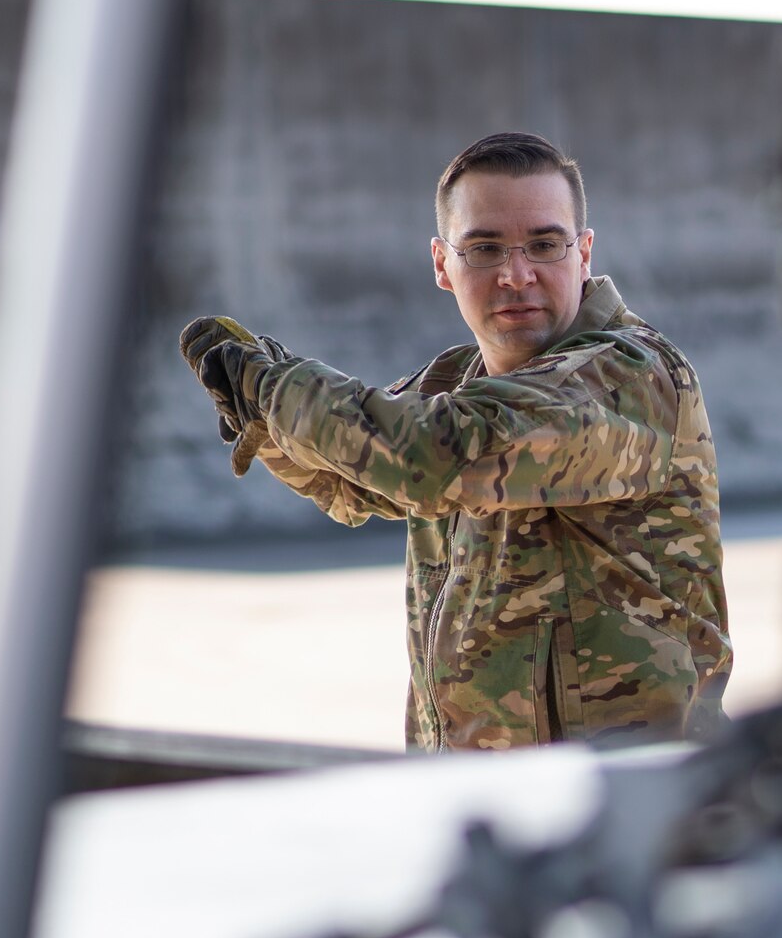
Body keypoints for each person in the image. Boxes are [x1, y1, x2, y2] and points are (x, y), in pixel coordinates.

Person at [179, 132, 731, 751]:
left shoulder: (624, 375)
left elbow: (431, 459)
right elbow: (351, 485)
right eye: (485, 249)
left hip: (619, 800)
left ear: (584, 253)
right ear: (443, 265)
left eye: (544, 245)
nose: (515, 275)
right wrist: (264, 418)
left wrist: (272, 387)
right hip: (476, 787)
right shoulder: (456, 381)